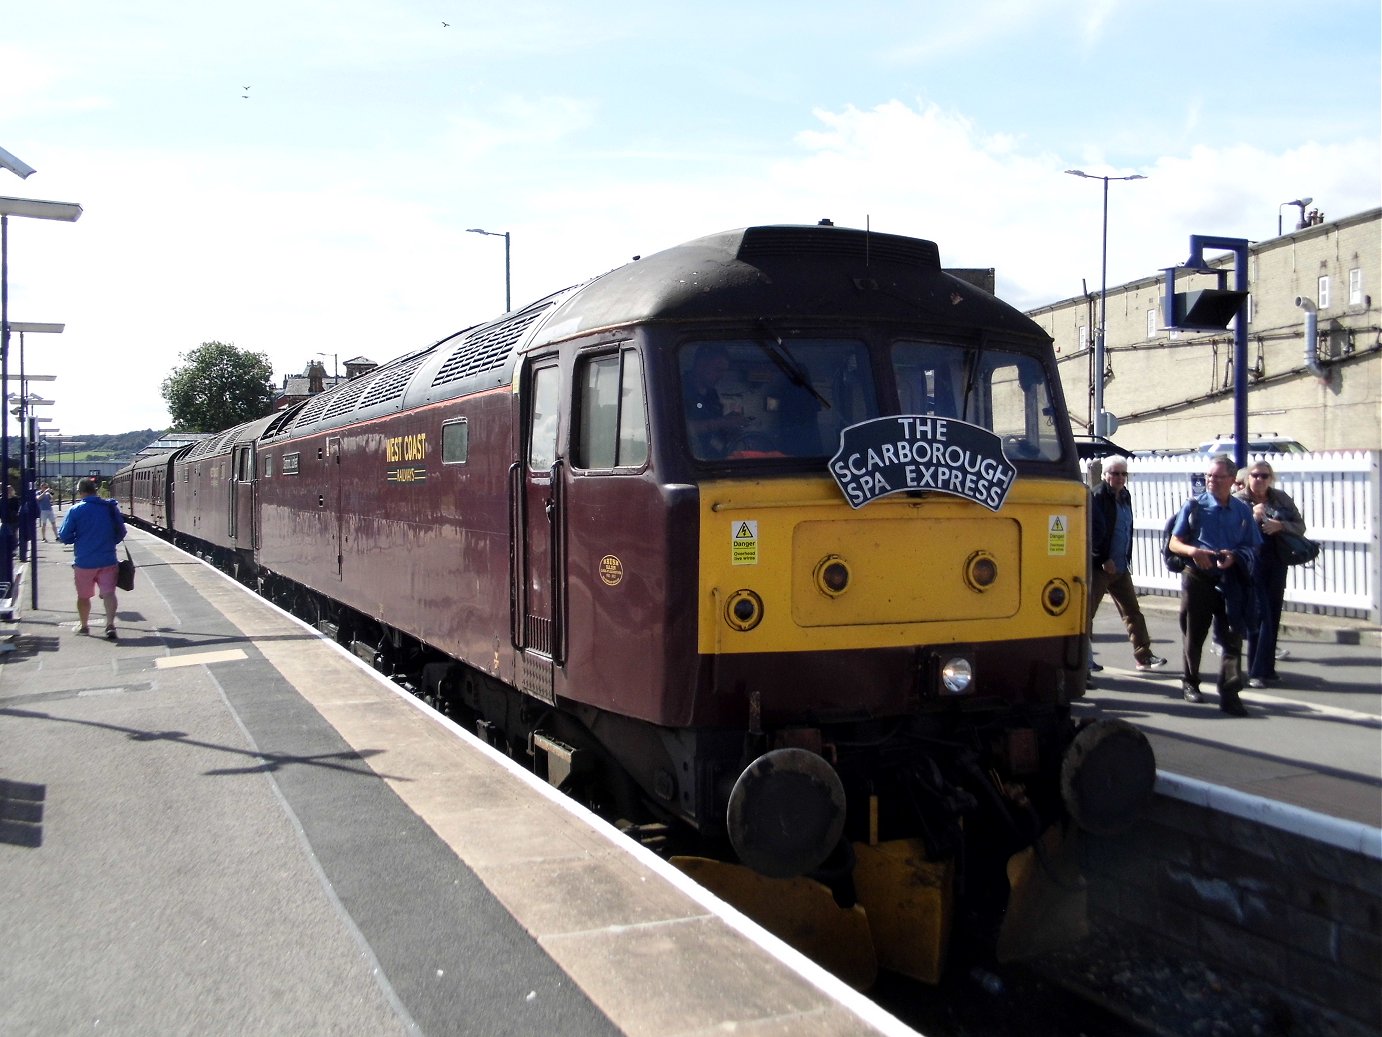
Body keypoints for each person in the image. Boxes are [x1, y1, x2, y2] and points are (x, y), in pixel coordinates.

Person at [1168, 454, 1262, 716]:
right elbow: (1174, 543)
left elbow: (1252, 544)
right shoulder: (1195, 506)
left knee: (1233, 637)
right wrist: (1194, 551)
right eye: (1209, 476)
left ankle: (1230, 693)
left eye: (1218, 477)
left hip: (1230, 581)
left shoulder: (1243, 511)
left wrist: (1235, 556)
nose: (1212, 480)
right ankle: (1190, 682)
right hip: (1198, 578)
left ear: (1232, 480)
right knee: (1194, 634)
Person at [1089, 460, 1168, 672]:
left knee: (1133, 612)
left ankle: (1144, 656)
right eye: (1115, 473)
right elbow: (1091, 533)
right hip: (1101, 567)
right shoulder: (1096, 496)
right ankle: (1084, 658)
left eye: (1124, 474)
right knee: (1087, 613)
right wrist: (1102, 558)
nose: (1120, 478)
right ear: (1105, 475)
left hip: (1121, 566)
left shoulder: (1125, 496)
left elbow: (1125, 529)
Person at [1235, 461, 1306, 689]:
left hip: (1277, 561)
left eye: (1265, 476)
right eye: (1255, 475)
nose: (1260, 479)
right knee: (1260, 614)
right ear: (1248, 478)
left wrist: (1281, 525)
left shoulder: (1280, 498)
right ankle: (1255, 671)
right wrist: (1252, 519)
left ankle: (1268, 669)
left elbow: (1300, 526)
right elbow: (1233, 531)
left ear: (1271, 478)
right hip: (1252, 564)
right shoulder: (1239, 500)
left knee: (1273, 615)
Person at [57, 477, 126, 641]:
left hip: (84, 561)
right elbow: (121, 532)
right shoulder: (110, 508)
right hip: (108, 558)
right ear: (95, 490)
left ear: (81, 492)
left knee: (83, 596)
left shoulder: (75, 510)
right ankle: (110, 624)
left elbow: (64, 535)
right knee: (109, 594)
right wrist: (109, 542)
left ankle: (84, 625)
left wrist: (78, 539)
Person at [683, 345, 748, 457]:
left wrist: (731, 425)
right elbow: (682, 428)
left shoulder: (712, 394)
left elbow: (716, 427)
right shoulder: (679, 389)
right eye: (718, 370)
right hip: (690, 460)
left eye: (724, 371)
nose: (721, 376)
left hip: (714, 459)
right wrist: (723, 422)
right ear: (701, 365)